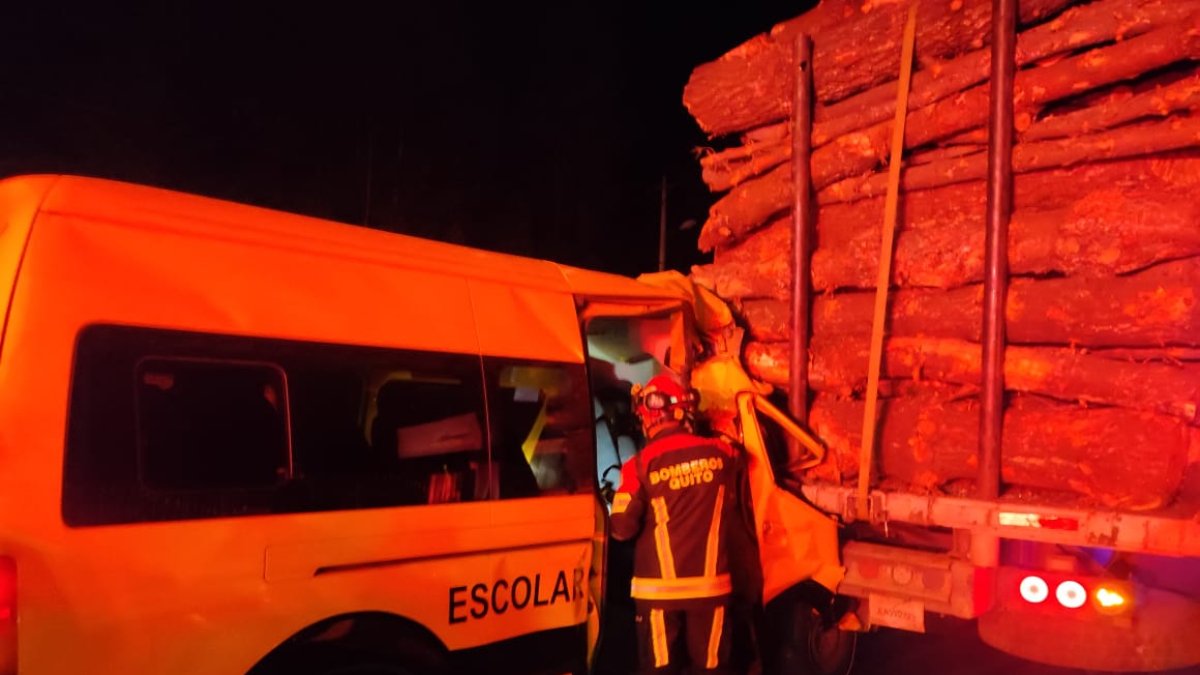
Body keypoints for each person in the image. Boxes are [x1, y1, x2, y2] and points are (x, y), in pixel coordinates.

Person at [609, 374, 744, 675]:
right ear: (684, 412)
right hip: (711, 589)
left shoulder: (638, 466)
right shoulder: (721, 453)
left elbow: (621, 528)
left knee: (660, 670)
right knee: (712, 670)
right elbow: (741, 461)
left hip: (658, 595)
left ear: (647, 418)